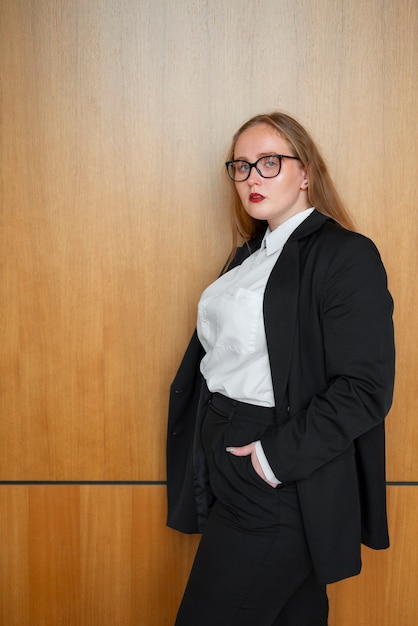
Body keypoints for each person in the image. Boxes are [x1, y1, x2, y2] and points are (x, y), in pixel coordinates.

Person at [166, 112, 395, 626]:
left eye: (270, 163)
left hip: (278, 472)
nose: (252, 177)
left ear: (306, 171)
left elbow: (365, 387)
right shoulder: (248, 257)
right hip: (230, 460)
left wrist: (271, 460)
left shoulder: (345, 255)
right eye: (242, 166)